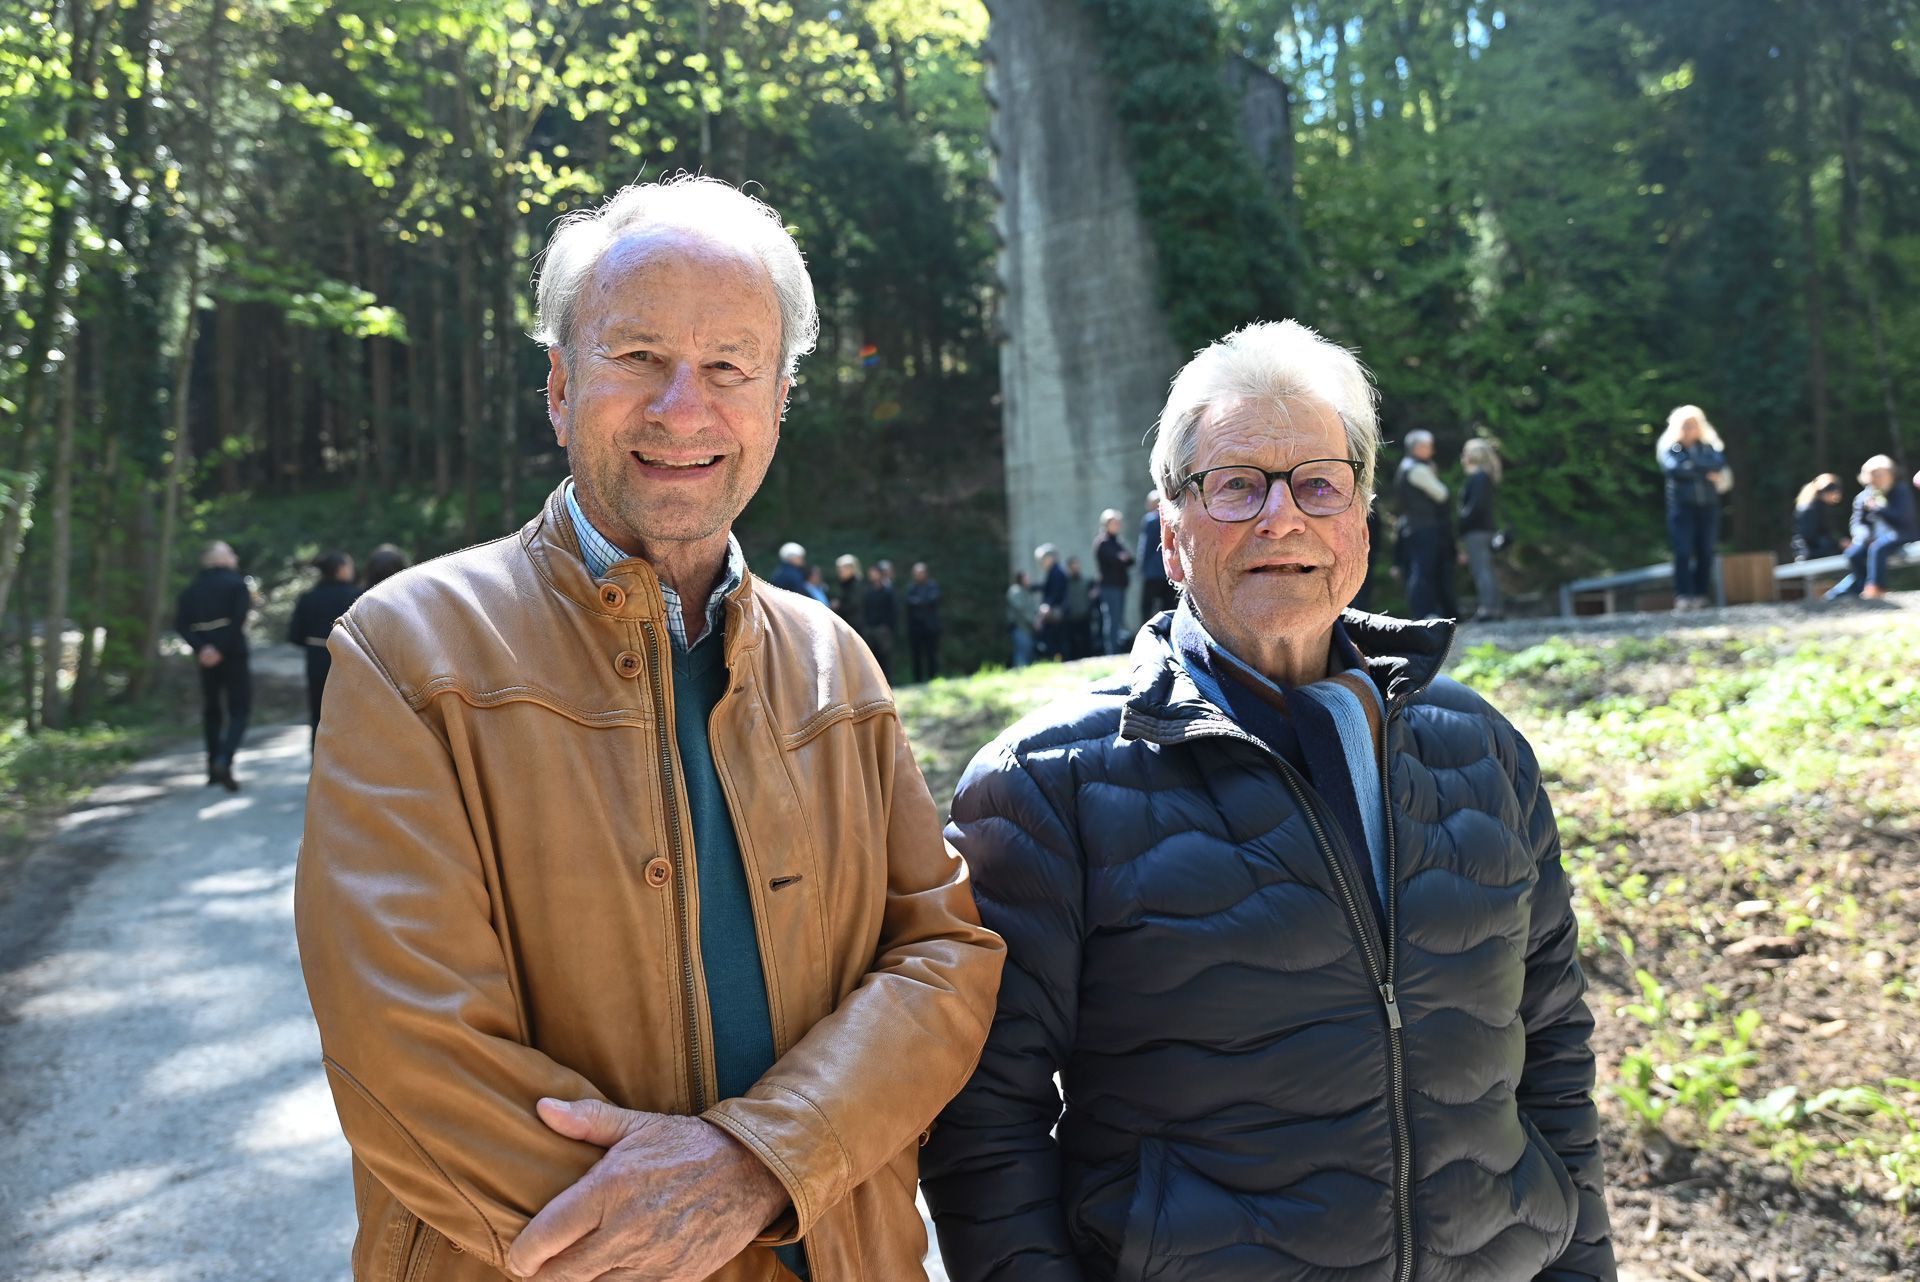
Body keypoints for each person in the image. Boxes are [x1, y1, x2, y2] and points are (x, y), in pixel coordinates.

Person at [295, 176, 1004, 1282]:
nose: (683, 408)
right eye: (637, 356)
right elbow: (406, 1051)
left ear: (778, 401)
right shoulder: (408, 652)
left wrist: (761, 1164)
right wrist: (669, 1229)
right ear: (560, 386)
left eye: (730, 366)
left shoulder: (836, 662)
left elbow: (942, 958)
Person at [924, 319, 1615, 1282]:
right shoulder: (1047, 784)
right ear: (1171, 532)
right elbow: (984, 1128)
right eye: (1237, 485)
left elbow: (1554, 1050)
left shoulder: (1483, 751)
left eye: (1319, 485)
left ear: (1361, 522)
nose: (1281, 519)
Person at [174, 540, 253, 791]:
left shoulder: (191, 589)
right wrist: (219, 648)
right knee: (239, 708)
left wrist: (203, 648)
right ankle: (224, 759)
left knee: (212, 710)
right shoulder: (237, 584)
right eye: (230, 553)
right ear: (217, 558)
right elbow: (238, 620)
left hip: (206, 656)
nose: (234, 556)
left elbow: (181, 625)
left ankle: (212, 769)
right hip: (233, 652)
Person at [1657, 405, 1729, 611]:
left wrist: (1692, 467)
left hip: (1708, 506)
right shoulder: (1673, 449)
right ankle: (1683, 595)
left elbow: (1718, 465)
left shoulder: (1709, 448)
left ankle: (1700, 594)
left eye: (1694, 425)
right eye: (1686, 425)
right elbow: (1674, 470)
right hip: (1682, 508)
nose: (1690, 429)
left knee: (1706, 551)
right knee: (1683, 551)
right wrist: (1703, 471)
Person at [288, 550, 360, 746]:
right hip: (347, 659)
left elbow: (295, 636)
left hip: (316, 659)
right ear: (341, 569)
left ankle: (318, 758)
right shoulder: (355, 595)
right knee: (350, 711)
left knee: (318, 712)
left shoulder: (307, 598)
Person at [1826, 454, 1918, 601]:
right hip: (1872, 538)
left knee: (1878, 547)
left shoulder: (1901, 491)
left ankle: (1876, 587)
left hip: (1900, 534)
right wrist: (1864, 537)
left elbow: (1903, 518)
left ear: (1891, 474)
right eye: (1874, 475)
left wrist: (1878, 509)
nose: (1878, 479)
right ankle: (1862, 585)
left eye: (1881, 474)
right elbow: (1857, 523)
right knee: (1853, 553)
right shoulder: (1863, 497)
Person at [1394, 428, 1458, 619]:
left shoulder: (1405, 466)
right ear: (1418, 447)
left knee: (1421, 569)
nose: (1433, 450)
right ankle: (1424, 613)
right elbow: (1442, 494)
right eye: (1429, 446)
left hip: (1414, 526)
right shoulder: (1418, 469)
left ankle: (1426, 612)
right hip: (1424, 527)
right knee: (1424, 570)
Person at [1459, 435, 1504, 621]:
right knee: (1486, 569)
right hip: (1483, 529)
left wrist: (1462, 521)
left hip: (1476, 530)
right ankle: (1494, 608)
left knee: (1482, 570)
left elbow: (1475, 507)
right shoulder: (1485, 476)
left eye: (1465, 453)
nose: (1463, 457)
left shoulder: (1479, 477)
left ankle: (1488, 609)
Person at [1093, 507, 1133, 654]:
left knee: (1118, 618)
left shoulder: (1117, 542)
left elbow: (1130, 560)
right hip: (1109, 586)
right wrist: (1121, 558)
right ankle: (1112, 651)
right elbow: (1115, 560)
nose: (1117, 526)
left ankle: (1116, 648)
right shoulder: (1102, 542)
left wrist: (1122, 558)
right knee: (1112, 618)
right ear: (1106, 524)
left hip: (1120, 585)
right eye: (1114, 523)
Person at [1136, 489, 1176, 624]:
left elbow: (1145, 546)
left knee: (1146, 606)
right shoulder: (1172, 518)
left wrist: (1142, 568)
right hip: (1169, 570)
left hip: (1152, 572)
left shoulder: (1150, 520)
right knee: (1168, 606)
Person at [1792, 473, 1846, 561]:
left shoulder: (1820, 507)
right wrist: (1838, 543)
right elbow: (1810, 537)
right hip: (1813, 555)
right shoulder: (1812, 509)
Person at [905, 562, 943, 682]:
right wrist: (922, 602)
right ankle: (918, 679)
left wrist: (918, 602)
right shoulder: (911, 588)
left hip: (930, 627)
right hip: (916, 628)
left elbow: (932, 600)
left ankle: (934, 677)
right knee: (916, 655)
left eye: (920, 573)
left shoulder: (932, 586)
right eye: (916, 573)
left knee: (932, 653)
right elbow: (908, 603)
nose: (918, 575)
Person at [863, 561, 898, 680]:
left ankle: (888, 683)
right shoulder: (869, 592)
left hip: (883, 630)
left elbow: (893, 611)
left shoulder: (888, 591)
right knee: (874, 659)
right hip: (871, 629)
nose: (871, 575)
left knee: (885, 658)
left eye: (874, 572)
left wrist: (888, 627)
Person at [1033, 544, 1069, 660]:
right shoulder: (1054, 572)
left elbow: (1056, 593)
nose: (1041, 563)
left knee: (1056, 640)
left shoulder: (1056, 572)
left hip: (1056, 612)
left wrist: (1046, 607)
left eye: (1043, 560)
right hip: (1056, 611)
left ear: (1050, 558)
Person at [1063, 555, 1094, 660]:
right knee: (1072, 647)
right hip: (1071, 618)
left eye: (1076, 566)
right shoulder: (1065, 583)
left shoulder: (1086, 582)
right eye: (1072, 566)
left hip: (1084, 617)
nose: (1075, 568)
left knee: (1087, 645)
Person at [1006, 570, 1036, 669]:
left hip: (1026, 628)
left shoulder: (1025, 591)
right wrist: (1033, 622)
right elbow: (1021, 609)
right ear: (1021, 579)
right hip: (1019, 628)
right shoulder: (1015, 591)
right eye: (1026, 578)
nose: (1029, 580)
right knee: (1021, 654)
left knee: (1027, 652)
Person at [831, 552, 863, 629]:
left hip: (854, 626)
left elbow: (853, 605)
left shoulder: (856, 584)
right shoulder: (844, 583)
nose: (839, 572)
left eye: (841, 570)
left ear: (850, 569)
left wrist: (838, 605)